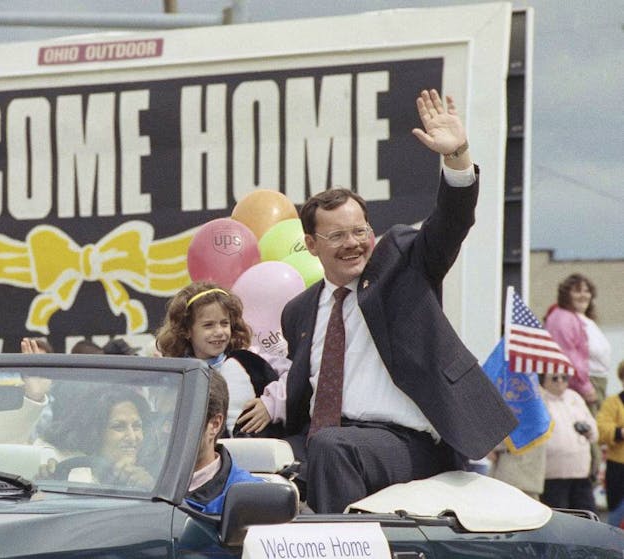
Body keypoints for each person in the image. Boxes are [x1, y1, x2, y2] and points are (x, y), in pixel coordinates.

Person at [263, 90, 516, 514]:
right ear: (310, 244)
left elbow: (450, 223)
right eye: (337, 236)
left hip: (410, 443)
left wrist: (456, 158)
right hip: (328, 445)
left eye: (360, 230)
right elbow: (300, 397)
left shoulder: (401, 263)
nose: (354, 244)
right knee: (245, 461)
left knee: (331, 447)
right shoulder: (299, 311)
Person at [155, 282, 280, 435]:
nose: (219, 332)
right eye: (208, 325)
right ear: (187, 330)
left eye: (224, 323)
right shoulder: (176, 373)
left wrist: (270, 404)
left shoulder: (249, 359)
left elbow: (293, 379)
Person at [185, 370, 262, 514]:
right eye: (162, 417)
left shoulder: (249, 497)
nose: (165, 428)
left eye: (178, 418)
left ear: (214, 424)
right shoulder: (142, 482)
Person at [544, 274, 611, 414]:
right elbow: (567, 356)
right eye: (577, 291)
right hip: (580, 386)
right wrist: (585, 386)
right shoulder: (563, 318)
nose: (583, 295)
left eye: (587, 291)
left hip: (595, 382)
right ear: (566, 295)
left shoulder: (582, 319)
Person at [540, 371, 598, 513]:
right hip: (553, 475)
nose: (560, 381)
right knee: (559, 520)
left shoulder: (575, 397)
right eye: (554, 378)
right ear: (544, 381)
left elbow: (595, 432)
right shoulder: (539, 399)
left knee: (587, 518)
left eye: (564, 378)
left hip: (581, 473)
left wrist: (589, 430)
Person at [596, 361, 624, 522]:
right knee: (615, 516)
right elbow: (601, 429)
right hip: (618, 468)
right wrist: (620, 432)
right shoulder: (612, 402)